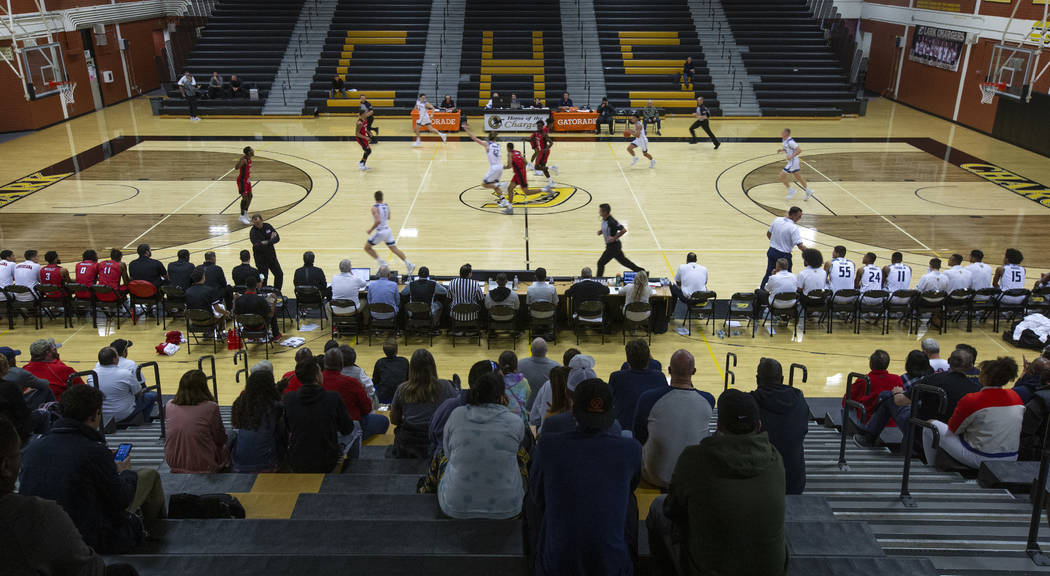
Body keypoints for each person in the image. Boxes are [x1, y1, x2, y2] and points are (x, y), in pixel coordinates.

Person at [647, 389, 788, 576]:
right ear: (759, 425)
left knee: (657, 506)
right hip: (773, 570)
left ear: (719, 426)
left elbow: (672, 510)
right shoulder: (775, 458)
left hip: (709, 569)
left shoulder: (694, 457)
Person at [19, 385, 165, 554]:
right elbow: (121, 500)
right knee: (149, 475)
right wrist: (125, 471)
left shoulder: (33, 447)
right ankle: (156, 528)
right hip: (88, 538)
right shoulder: (94, 451)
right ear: (95, 415)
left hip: (41, 535)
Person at [528, 378, 641, 575]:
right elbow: (629, 489)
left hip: (557, 564)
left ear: (572, 408)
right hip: (612, 565)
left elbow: (538, 497)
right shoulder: (631, 449)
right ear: (611, 411)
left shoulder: (547, 445)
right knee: (628, 501)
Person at [1, 417, 140, 575]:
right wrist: (125, 473)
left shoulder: (34, 449)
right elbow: (90, 568)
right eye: (17, 455)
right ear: (5, 466)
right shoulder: (38, 513)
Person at [439, 371, 525, 519]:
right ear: (501, 396)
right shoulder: (515, 421)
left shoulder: (456, 414)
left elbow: (447, 454)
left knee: (440, 458)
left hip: (455, 506)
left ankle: (424, 489)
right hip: (508, 507)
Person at [923, 357, 1024, 469]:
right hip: (1011, 457)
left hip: (981, 458)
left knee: (931, 426)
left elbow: (953, 429)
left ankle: (930, 467)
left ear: (985, 376)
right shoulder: (1016, 396)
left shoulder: (973, 399)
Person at [634, 350, 714, 489]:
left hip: (655, 477)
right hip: (692, 478)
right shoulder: (709, 400)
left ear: (669, 370)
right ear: (694, 371)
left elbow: (639, 436)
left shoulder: (648, 398)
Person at [750, 357, 809, 494]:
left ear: (757, 380)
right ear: (782, 379)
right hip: (795, 482)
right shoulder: (799, 398)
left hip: (761, 484)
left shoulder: (750, 403)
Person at [284, 360, 354, 472]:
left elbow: (288, 428)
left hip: (297, 460)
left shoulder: (289, 398)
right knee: (357, 426)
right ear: (317, 377)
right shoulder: (333, 397)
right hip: (326, 461)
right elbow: (347, 428)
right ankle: (354, 468)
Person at [854, 350, 933, 448]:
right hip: (932, 424)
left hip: (917, 423)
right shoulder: (933, 378)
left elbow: (901, 401)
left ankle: (870, 436)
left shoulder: (904, 379)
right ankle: (870, 433)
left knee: (887, 395)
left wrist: (898, 393)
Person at [389, 349, 457, 458]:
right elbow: (455, 412)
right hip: (437, 438)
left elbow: (394, 420)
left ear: (411, 368)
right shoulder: (446, 386)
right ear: (433, 366)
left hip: (410, 441)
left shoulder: (402, 389)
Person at [164, 370, 227, 473]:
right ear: (204, 387)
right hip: (204, 465)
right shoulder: (211, 407)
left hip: (173, 463)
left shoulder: (169, 405)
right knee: (232, 435)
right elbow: (220, 438)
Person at [230, 369, 286, 473]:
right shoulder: (274, 406)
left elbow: (234, 424)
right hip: (267, 464)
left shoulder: (240, 403)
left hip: (239, 464)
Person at [609, 339, 667, 431]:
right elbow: (656, 364)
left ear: (628, 359)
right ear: (648, 357)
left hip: (624, 426)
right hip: (650, 427)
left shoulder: (616, 376)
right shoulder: (659, 376)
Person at [91, 347, 156, 428]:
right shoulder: (126, 374)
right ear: (114, 359)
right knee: (151, 395)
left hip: (101, 415)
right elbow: (138, 392)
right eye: (117, 356)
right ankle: (145, 423)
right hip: (123, 414)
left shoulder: (91, 375)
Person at [916, 348, 981, 425]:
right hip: (962, 431)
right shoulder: (977, 388)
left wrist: (897, 393)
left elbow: (905, 400)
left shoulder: (932, 379)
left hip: (930, 427)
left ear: (948, 361)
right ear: (971, 366)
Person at [463, 124, 513, 214]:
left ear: (488, 137)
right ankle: (503, 200)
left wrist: (467, 130)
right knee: (493, 185)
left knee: (484, 184)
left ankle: (501, 185)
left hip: (494, 168)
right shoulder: (497, 145)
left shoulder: (487, 144)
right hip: (500, 167)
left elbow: (474, 138)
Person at [530, 349, 586, 428]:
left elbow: (533, 419)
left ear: (564, 363)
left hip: (547, 432)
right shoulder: (585, 387)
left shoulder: (547, 385)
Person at [364, 190, 415, 273]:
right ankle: (409, 264)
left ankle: (382, 263)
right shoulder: (386, 206)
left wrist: (370, 230)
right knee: (394, 248)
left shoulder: (374, 208)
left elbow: (378, 221)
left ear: (375, 198)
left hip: (381, 231)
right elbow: (388, 217)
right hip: (388, 230)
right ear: (382, 197)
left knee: (367, 248)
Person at [848, 349, 903, 426]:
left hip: (868, 422)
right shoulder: (897, 379)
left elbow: (847, 401)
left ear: (870, 364)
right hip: (891, 423)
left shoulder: (863, 380)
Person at [761, 206, 807, 288]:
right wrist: (812, 254)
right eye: (798, 216)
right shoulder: (793, 228)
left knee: (769, 274)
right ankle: (787, 293)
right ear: (792, 215)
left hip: (772, 251)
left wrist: (776, 242)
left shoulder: (777, 220)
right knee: (788, 276)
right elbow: (800, 245)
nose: (799, 219)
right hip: (784, 256)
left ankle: (761, 292)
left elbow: (768, 234)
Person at [595, 203, 643, 277]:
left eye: (601, 211)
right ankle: (641, 271)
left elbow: (623, 230)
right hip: (612, 246)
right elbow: (606, 228)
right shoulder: (604, 219)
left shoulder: (612, 221)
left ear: (605, 212)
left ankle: (598, 281)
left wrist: (614, 238)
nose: (599, 212)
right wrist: (601, 231)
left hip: (613, 247)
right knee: (625, 262)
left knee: (600, 263)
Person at [1, 346, 52, 411]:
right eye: (14, 357)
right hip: (16, 413)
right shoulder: (19, 373)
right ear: (11, 360)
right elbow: (45, 384)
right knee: (47, 390)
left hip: (5, 410)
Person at [520, 338, 559, 409]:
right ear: (546, 350)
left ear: (531, 350)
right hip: (547, 409)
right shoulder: (556, 367)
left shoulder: (519, 365)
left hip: (526, 408)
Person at [778, 128, 814, 200]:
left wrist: (791, 156)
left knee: (781, 176)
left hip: (793, 162)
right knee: (798, 177)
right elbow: (788, 148)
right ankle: (808, 191)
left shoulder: (791, 141)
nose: (781, 133)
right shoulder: (784, 140)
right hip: (793, 161)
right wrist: (782, 150)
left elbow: (799, 150)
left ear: (786, 133)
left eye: (782, 132)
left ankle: (791, 191)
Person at [250, 214, 283, 290]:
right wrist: (271, 240)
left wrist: (267, 242)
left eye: (258, 223)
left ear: (262, 220)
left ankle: (276, 292)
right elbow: (258, 245)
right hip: (260, 261)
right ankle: (263, 295)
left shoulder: (268, 226)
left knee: (279, 274)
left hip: (271, 257)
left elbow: (277, 238)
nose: (257, 225)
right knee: (263, 278)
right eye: (255, 224)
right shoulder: (253, 232)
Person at [498, 350, 530, 421]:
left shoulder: (496, 382)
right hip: (520, 421)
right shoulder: (524, 382)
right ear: (516, 366)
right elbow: (526, 398)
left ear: (500, 366)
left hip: (501, 421)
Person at [528, 120, 558, 190]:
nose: (538, 127)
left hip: (544, 152)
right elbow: (531, 139)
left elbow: (551, 143)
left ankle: (552, 168)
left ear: (542, 126)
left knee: (537, 167)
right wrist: (524, 139)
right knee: (542, 167)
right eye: (537, 126)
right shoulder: (536, 133)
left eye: (540, 126)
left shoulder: (544, 134)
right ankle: (551, 181)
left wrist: (546, 149)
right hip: (541, 151)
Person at [234, 146, 254, 224]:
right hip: (242, 181)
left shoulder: (249, 159)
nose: (253, 151)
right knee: (245, 198)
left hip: (247, 180)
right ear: (249, 152)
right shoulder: (244, 160)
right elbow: (236, 167)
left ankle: (245, 213)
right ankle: (241, 216)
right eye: (252, 150)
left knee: (250, 196)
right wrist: (240, 161)